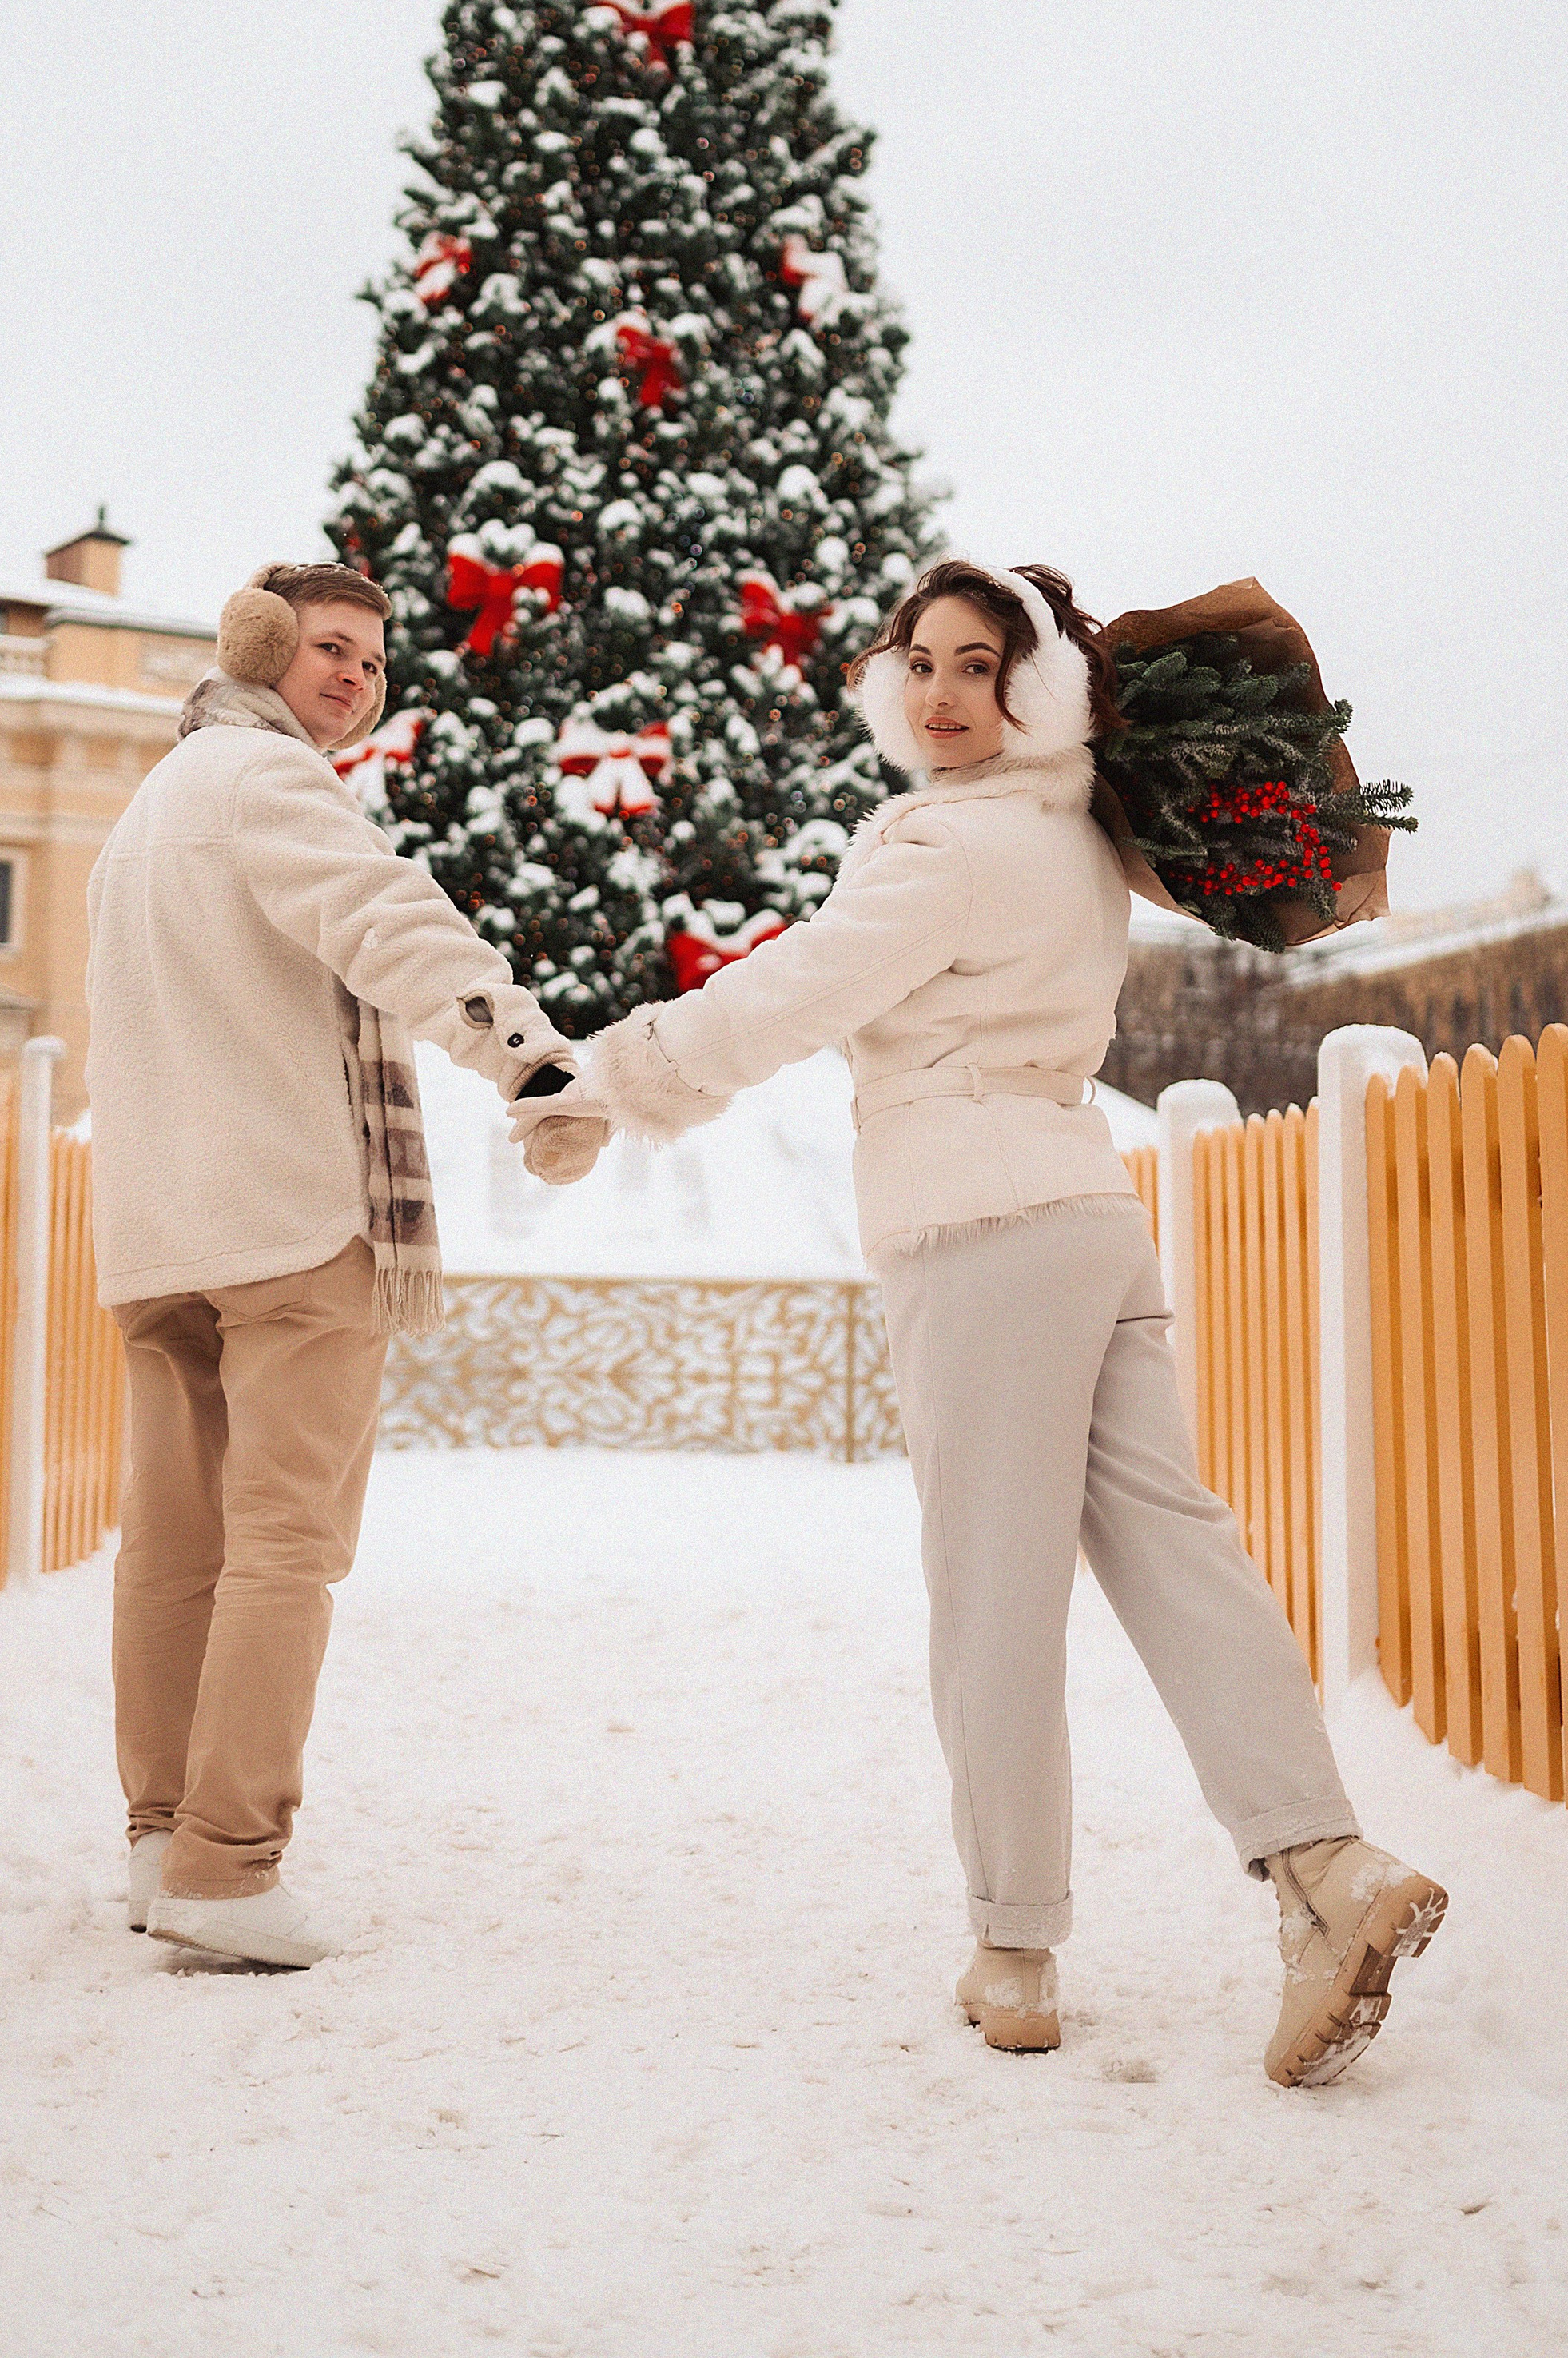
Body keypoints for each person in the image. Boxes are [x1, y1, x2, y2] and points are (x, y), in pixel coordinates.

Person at [572, 559, 1445, 2084]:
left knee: (992, 1590)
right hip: (1087, 1212)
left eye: (977, 667)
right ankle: (1324, 1865)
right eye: (918, 659)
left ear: (1030, 691)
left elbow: (797, 990)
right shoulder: (1077, 841)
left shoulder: (948, 844)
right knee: (1181, 1546)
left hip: (973, 1225)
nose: (937, 691)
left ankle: (1017, 1947)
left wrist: (622, 1081)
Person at [86, 560, 604, 1970]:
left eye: (375, 662)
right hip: (289, 1224)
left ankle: (160, 1837)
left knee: (176, 1542)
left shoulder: (152, 805)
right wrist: (530, 1057)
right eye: (329, 649)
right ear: (261, 650)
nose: (355, 678)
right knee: (285, 1548)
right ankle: (231, 1869)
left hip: (157, 1230)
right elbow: (394, 925)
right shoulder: (270, 784)